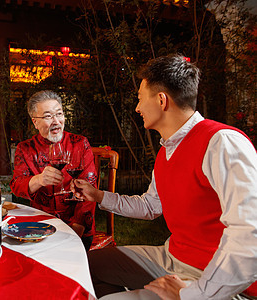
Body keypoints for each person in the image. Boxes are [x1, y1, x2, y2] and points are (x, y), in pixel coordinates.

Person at [72, 54, 257, 299]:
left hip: (213, 277)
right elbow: (151, 206)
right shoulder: (167, 150)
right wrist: (97, 195)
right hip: (171, 257)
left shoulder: (221, 143)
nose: (137, 108)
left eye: (140, 99)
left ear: (161, 100)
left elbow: (250, 233)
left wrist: (196, 294)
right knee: (86, 266)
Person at [10, 90, 97, 251]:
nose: (56, 121)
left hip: (77, 226)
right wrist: (39, 180)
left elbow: (90, 192)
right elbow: (16, 186)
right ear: (35, 122)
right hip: (40, 226)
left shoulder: (79, 144)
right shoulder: (26, 149)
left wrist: (76, 229)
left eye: (59, 114)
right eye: (48, 116)